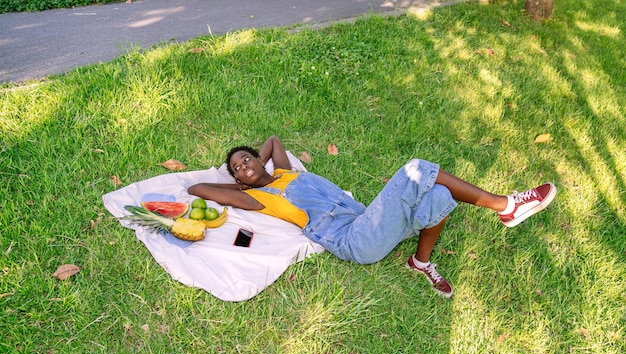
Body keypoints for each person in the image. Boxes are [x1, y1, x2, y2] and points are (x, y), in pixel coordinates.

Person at [188, 135, 556, 298]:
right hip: (353, 241)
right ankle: (506, 206)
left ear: (258, 159)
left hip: (369, 222)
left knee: (440, 195)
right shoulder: (259, 199)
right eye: (237, 167)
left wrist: (257, 156)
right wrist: (238, 188)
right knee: (415, 169)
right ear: (236, 179)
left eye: (247, 158)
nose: (244, 165)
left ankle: (420, 262)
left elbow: (272, 140)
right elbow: (198, 191)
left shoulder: (285, 172)